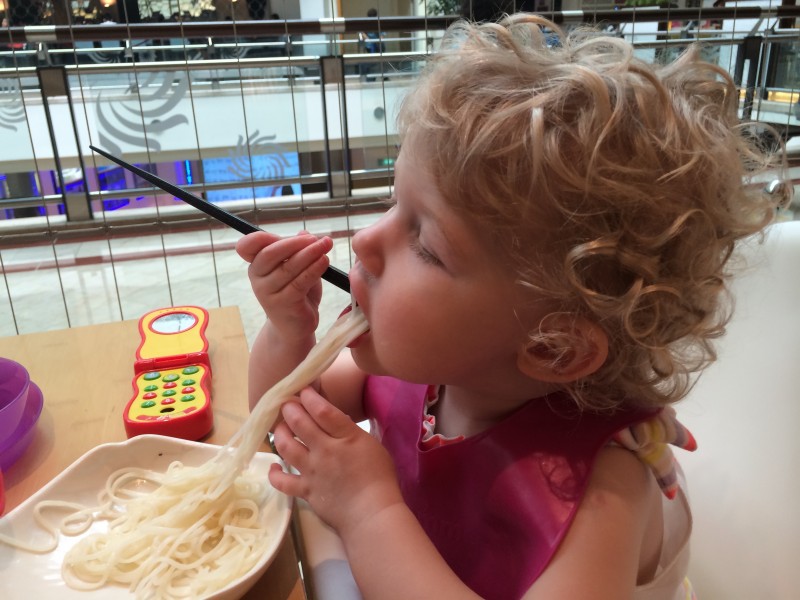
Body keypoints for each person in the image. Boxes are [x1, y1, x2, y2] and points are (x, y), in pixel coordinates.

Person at [236, 14, 779, 599]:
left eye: (427, 244)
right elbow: (279, 420)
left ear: (551, 347)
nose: (366, 241)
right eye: (395, 203)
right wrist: (287, 333)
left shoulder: (605, 493)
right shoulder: (427, 371)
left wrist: (369, 511)